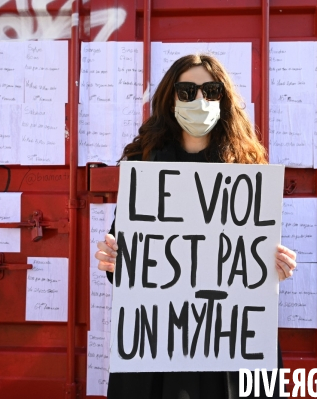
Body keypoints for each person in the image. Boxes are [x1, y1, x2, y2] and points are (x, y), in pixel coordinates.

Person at [95, 53, 297, 399]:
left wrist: (276, 265)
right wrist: (112, 259)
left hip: (228, 352)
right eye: (187, 91)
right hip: (162, 353)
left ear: (224, 98)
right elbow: (128, 259)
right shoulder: (146, 166)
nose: (200, 101)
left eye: (211, 90)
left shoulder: (246, 171)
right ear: (171, 99)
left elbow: (249, 259)